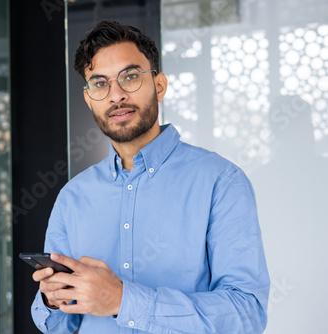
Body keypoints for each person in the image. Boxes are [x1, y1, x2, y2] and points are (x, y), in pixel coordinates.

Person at [31, 20, 270, 333]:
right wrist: (52, 300)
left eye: (130, 77)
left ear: (159, 86)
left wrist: (123, 300)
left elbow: (246, 313)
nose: (116, 95)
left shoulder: (220, 182)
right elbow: (57, 326)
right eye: (100, 83)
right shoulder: (73, 197)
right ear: (89, 98)